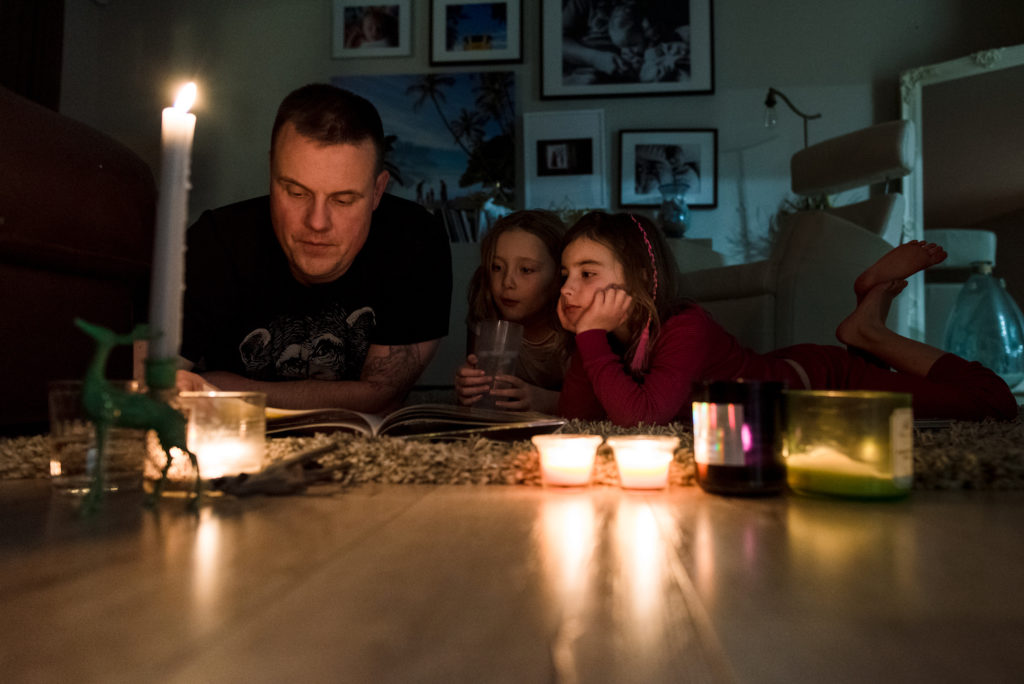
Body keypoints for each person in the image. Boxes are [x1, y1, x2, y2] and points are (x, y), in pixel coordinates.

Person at [556, 211, 1018, 425]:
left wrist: (590, 338)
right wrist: (586, 340)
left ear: (638, 276)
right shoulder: (612, 340)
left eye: (587, 273)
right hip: (786, 371)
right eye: (565, 274)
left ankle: (870, 331)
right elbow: (579, 418)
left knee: (992, 402)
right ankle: (868, 313)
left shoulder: (684, 325)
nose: (567, 288)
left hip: (824, 383)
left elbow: (644, 414)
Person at [177, 84, 452, 413]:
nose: (318, 222)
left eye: (343, 199)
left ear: (378, 191)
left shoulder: (415, 239)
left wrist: (220, 386)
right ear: (271, 171)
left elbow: (380, 396)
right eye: (296, 192)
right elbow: (154, 379)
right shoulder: (215, 240)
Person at [455, 210, 568, 413]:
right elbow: (479, 396)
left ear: (560, 274)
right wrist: (469, 387)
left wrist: (550, 401)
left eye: (526, 270)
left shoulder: (575, 323)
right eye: (497, 267)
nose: (507, 282)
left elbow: (602, 401)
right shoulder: (486, 311)